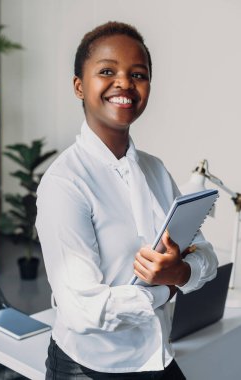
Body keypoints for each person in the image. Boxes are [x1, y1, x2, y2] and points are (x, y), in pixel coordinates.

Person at [36, 21, 218, 379]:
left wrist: (182, 271)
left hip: (158, 359)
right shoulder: (65, 183)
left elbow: (205, 254)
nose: (124, 83)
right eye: (107, 71)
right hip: (88, 369)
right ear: (79, 86)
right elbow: (81, 310)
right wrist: (166, 289)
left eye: (138, 74)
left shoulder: (155, 170)